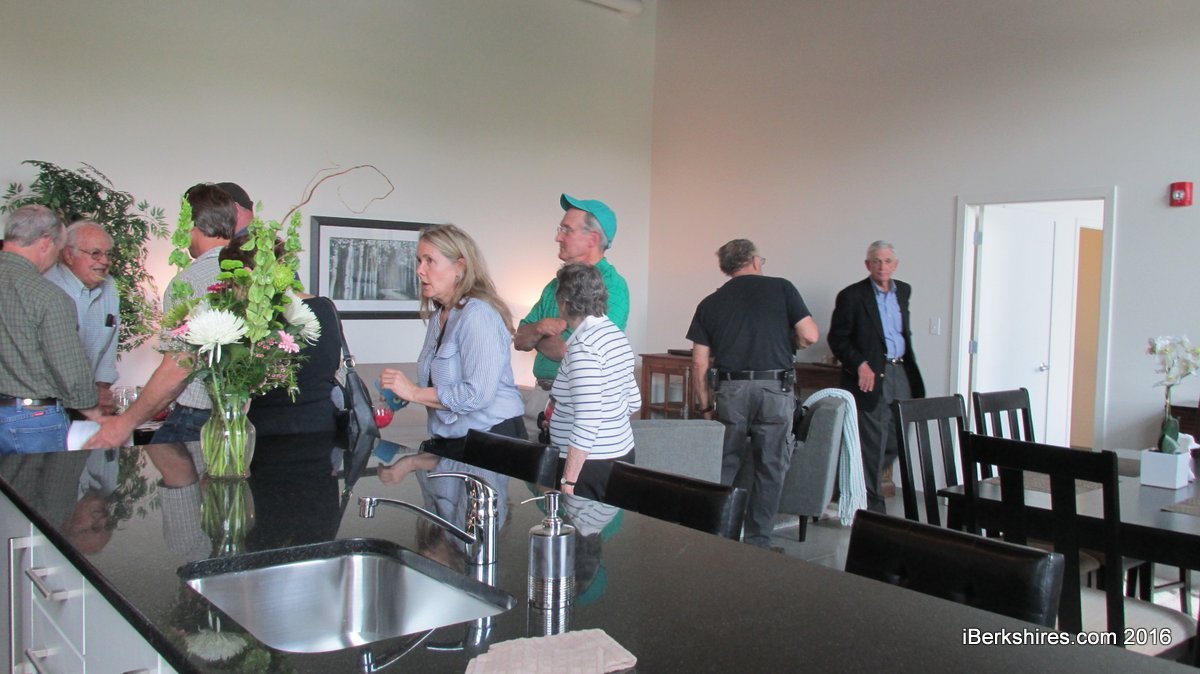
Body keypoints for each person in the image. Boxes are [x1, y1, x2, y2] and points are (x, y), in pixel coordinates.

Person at [687, 239, 819, 548]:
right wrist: (793, 342)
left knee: (724, 463)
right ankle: (758, 542)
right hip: (775, 388)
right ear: (755, 261)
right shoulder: (782, 288)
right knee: (770, 467)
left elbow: (699, 362)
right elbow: (811, 335)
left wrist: (705, 407)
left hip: (730, 390)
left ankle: (715, 537)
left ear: (726, 267)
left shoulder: (710, 303)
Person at [85, 184, 235, 449]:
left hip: (198, 418)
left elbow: (179, 366)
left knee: (160, 466)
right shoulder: (256, 274)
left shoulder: (188, 282)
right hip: (245, 418)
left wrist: (125, 423)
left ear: (191, 224)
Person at [380, 224, 525, 459]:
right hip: (452, 442)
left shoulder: (478, 315)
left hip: (492, 441)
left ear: (459, 267)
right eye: (419, 261)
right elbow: (444, 380)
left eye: (429, 261)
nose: (419, 270)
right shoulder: (439, 316)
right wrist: (399, 395)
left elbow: (477, 394)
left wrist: (414, 392)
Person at [514, 195, 630, 436]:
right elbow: (520, 339)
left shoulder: (613, 286)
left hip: (577, 403)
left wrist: (537, 338)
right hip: (540, 397)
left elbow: (574, 351)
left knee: (571, 463)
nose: (558, 237)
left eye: (566, 230)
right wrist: (540, 327)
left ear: (593, 239)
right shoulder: (553, 285)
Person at [827, 240, 925, 514]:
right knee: (872, 442)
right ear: (867, 264)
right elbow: (837, 339)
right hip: (870, 376)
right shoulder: (851, 295)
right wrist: (860, 364)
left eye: (887, 261)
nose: (882, 266)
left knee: (896, 439)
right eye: (877, 261)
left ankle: (849, 481)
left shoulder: (903, 291)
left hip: (900, 371)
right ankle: (873, 509)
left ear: (896, 265)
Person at [0, 205, 104, 454]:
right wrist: (95, 413)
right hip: (33, 420)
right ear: (46, 243)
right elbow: (70, 370)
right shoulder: (48, 296)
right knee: (47, 483)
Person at [217, 236, 341, 436]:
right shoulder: (325, 307)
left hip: (268, 434)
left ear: (247, 274)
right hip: (323, 427)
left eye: (232, 284)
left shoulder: (258, 320)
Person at [549, 263, 640, 500]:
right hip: (619, 454)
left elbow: (588, 419)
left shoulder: (584, 346)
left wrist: (568, 480)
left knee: (580, 523)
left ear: (564, 302)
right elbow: (634, 401)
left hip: (588, 466)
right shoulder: (615, 335)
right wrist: (611, 424)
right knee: (607, 522)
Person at [45, 221, 120, 415]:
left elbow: (109, 346)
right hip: (51, 402)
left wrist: (101, 388)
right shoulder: (49, 288)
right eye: (95, 253)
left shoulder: (110, 286)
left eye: (108, 254)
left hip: (91, 399)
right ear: (69, 255)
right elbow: (54, 358)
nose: (104, 261)